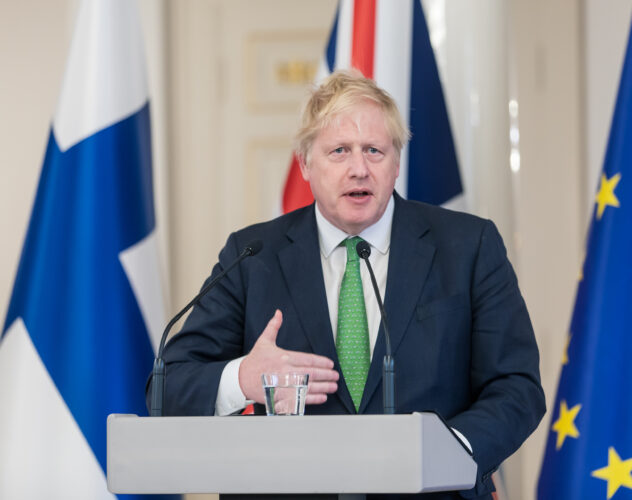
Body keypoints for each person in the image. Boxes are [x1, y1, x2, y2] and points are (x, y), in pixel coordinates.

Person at [147, 70, 545, 499]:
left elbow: (517, 386)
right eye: (339, 151)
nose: (359, 169)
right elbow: (166, 387)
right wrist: (244, 377)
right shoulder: (252, 256)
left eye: (374, 150)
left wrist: (449, 453)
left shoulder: (469, 246)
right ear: (305, 163)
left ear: (396, 164)